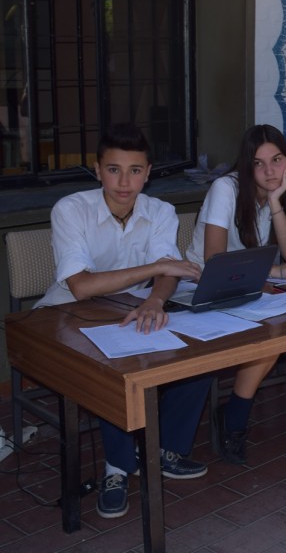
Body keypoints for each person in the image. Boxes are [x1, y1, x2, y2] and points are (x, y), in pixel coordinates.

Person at [36, 123, 209, 519]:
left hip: (128, 306)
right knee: (115, 367)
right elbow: (81, 286)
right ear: (97, 171)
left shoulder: (160, 211)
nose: (124, 181)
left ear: (148, 173)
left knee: (199, 351)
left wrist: (155, 299)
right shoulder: (70, 209)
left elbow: (168, 271)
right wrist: (155, 269)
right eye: (114, 169)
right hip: (66, 313)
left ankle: (164, 448)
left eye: (134, 170)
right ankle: (118, 466)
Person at [186, 124, 286, 466]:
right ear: (246, 167)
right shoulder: (226, 189)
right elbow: (214, 262)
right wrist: (279, 272)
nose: (270, 171)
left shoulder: (284, 186)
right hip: (204, 289)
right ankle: (235, 417)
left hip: (252, 288)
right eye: (258, 163)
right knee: (274, 329)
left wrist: (276, 203)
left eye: (277, 160)